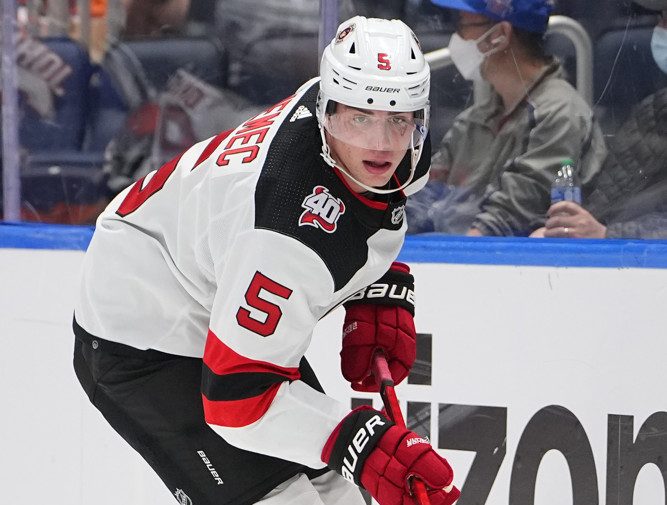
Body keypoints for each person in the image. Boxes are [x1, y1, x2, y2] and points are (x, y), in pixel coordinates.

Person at [72, 16, 460, 505]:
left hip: (206, 287)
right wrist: (360, 443)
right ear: (328, 110)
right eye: (359, 118)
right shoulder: (283, 231)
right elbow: (238, 402)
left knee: (338, 493)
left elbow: (358, 214)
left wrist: (372, 282)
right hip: (141, 339)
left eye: (398, 119)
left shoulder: (370, 134)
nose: (379, 144)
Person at [407, 0, 608, 236]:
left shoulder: (560, 114)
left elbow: (507, 217)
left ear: (500, 35)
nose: (456, 37)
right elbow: (427, 192)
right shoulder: (475, 119)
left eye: (462, 25)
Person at [531, 0, 667, 239]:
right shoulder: (655, 110)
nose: (661, 27)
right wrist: (563, 228)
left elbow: (604, 231)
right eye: (663, 17)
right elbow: (606, 201)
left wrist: (608, 235)